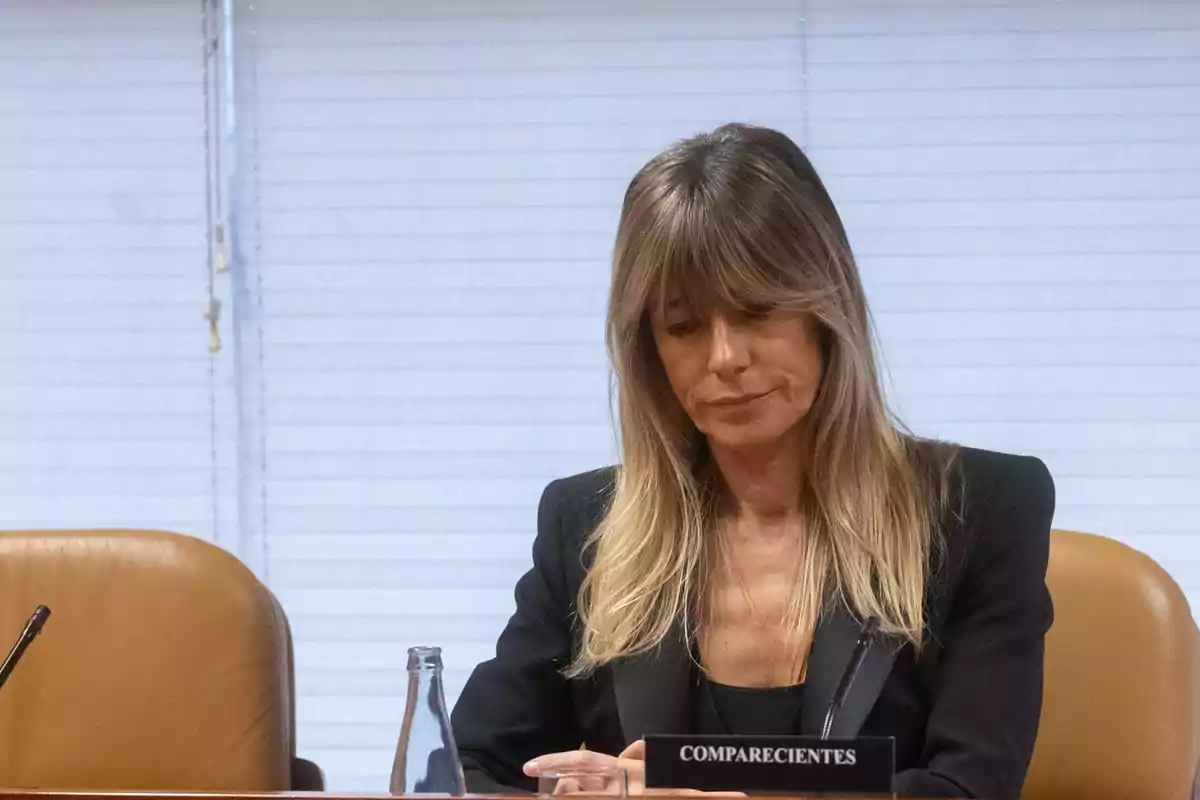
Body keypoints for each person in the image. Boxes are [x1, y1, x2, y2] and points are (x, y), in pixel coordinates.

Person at [449, 123, 1055, 800]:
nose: (725, 357)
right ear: (649, 351)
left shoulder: (980, 511)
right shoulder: (585, 526)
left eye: (757, 309)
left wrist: (708, 787)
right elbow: (467, 770)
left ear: (826, 309)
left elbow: (966, 790)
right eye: (683, 325)